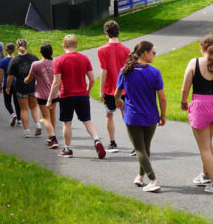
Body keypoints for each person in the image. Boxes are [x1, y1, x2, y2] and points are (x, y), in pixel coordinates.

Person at [180, 34, 213, 194]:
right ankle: (205, 174)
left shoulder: (194, 63)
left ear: (202, 48)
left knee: (204, 147)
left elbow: (185, 87)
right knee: (208, 142)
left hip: (200, 105)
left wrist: (183, 101)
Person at [116, 41, 166, 192]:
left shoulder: (125, 71)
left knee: (139, 148)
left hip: (133, 116)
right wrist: (163, 115)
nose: (154, 55)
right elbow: (162, 98)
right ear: (145, 53)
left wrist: (118, 101)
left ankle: (152, 179)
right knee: (145, 147)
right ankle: (140, 176)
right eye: (153, 52)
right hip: (151, 116)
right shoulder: (154, 72)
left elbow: (116, 93)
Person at [48, 34, 106, 159]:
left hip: (66, 95)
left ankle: (67, 149)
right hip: (82, 95)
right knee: (87, 120)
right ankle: (97, 140)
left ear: (64, 45)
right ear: (76, 45)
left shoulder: (59, 60)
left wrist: (50, 99)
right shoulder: (84, 59)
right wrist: (87, 90)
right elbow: (91, 79)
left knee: (67, 123)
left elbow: (56, 82)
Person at [97, 20, 131, 152]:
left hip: (110, 88)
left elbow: (104, 71)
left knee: (109, 115)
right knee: (126, 115)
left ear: (106, 33)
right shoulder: (126, 50)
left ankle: (112, 143)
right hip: (124, 89)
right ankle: (135, 145)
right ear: (118, 32)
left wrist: (101, 90)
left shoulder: (102, 50)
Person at [7, 39, 41, 139]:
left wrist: (7, 87)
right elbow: (39, 71)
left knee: (24, 109)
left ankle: (27, 131)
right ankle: (38, 124)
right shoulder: (33, 57)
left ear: (17, 48)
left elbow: (10, 77)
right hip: (32, 85)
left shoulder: (15, 60)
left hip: (21, 87)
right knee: (34, 107)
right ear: (26, 46)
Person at [28, 43, 58, 148]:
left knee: (46, 117)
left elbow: (29, 78)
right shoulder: (55, 63)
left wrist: (24, 80)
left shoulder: (36, 64)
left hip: (42, 94)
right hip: (54, 94)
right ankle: (51, 136)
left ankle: (53, 138)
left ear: (40, 52)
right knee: (53, 114)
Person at [0, 43, 17, 126]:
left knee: (7, 102)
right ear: (14, 49)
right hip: (17, 83)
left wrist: (0, 84)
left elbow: (1, 74)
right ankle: (20, 120)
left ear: (6, 50)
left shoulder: (3, 61)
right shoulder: (17, 59)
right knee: (17, 102)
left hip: (7, 83)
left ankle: (12, 114)